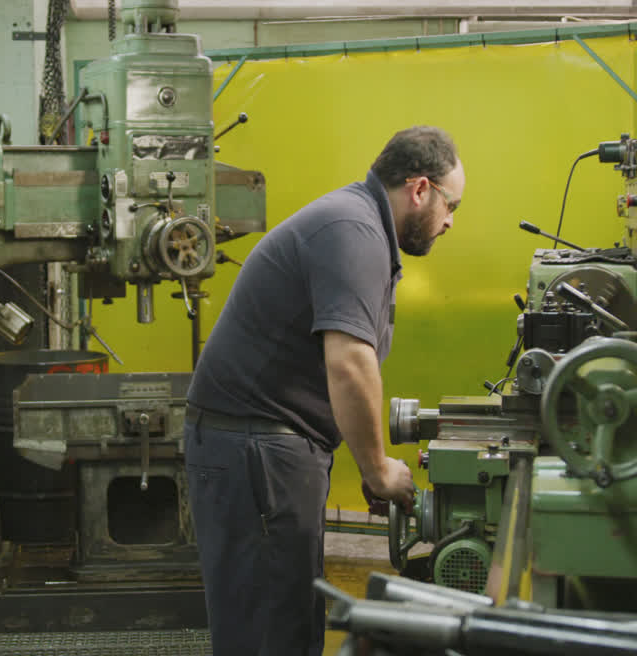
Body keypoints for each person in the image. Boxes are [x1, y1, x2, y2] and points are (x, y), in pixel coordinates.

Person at [184, 125, 466, 655]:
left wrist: (366, 459)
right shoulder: (353, 231)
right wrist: (378, 468)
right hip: (255, 451)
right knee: (270, 634)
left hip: (270, 449)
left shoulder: (361, 226)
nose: (451, 221)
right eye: (452, 205)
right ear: (421, 188)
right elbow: (350, 365)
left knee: (290, 618)